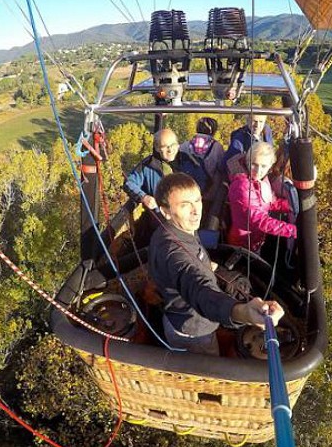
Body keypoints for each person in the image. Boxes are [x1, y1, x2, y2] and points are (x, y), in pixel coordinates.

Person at [148, 172, 285, 355]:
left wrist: (215, 268)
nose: (196, 211)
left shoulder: (179, 229)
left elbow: (196, 259)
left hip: (178, 317)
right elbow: (199, 290)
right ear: (165, 211)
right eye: (184, 205)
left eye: (197, 200)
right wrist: (243, 312)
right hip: (194, 332)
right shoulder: (173, 252)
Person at [123, 129, 205, 247]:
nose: (170, 150)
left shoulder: (189, 161)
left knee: (189, 246)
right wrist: (143, 197)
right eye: (165, 146)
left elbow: (203, 180)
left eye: (172, 145)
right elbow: (129, 183)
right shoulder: (148, 165)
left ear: (178, 145)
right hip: (159, 219)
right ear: (156, 148)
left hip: (185, 216)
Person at [227, 142, 297, 253]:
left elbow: (270, 202)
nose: (258, 171)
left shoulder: (261, 180)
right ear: (247, 161)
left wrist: (292, 205)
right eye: (254, 164)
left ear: (270, 166)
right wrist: (293, 230)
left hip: (255, 240)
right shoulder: (242, 186)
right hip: (242, 244)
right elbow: (258, 221)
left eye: (263, 166)